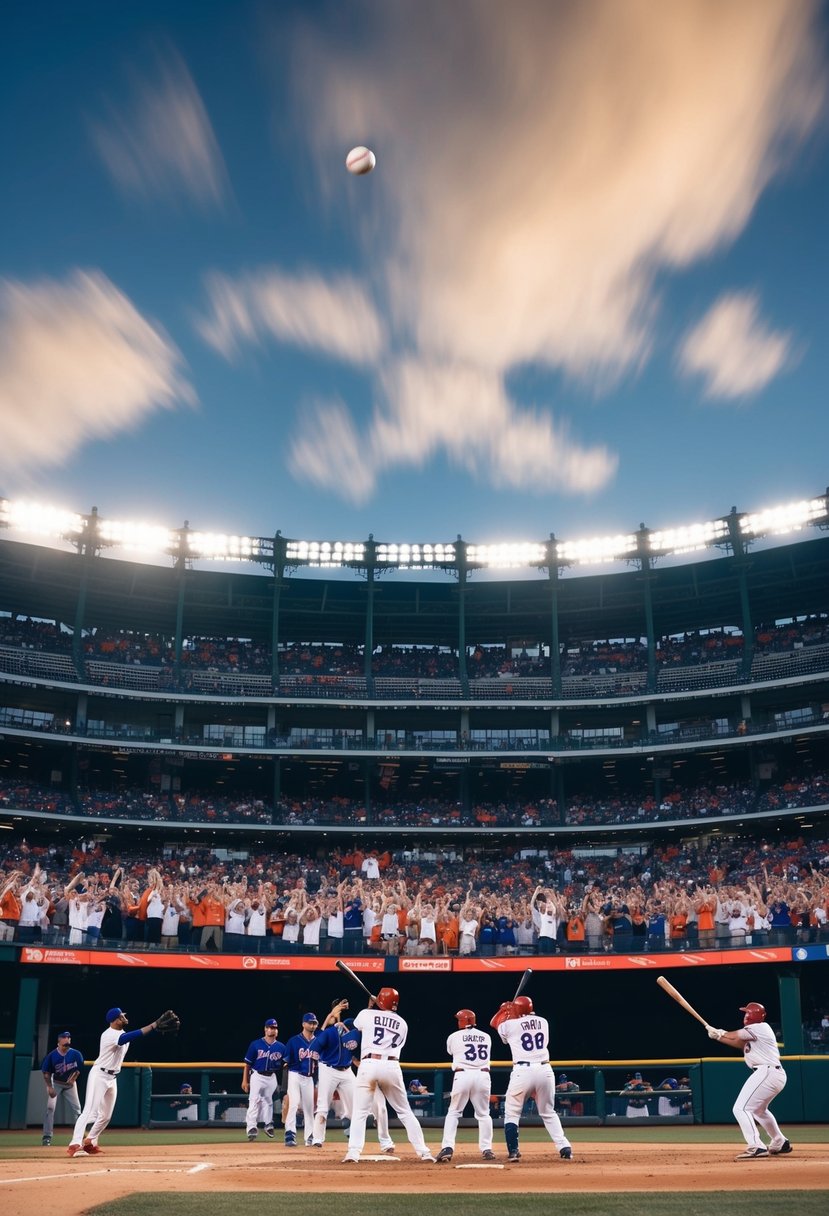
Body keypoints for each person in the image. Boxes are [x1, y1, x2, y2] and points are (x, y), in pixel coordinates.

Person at [343, 987, 435, 1163]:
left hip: (369, 1064)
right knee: (405, 1111)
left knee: (360, 1112)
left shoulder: (366, 1014)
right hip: (391, 1065)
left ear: (379, 1000)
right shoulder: (403, 1023)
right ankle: (424, 1152)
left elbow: (358, 1027)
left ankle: (353, 1153)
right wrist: (379, 1006)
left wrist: (372, 1007)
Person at [67, 1006, 163, 1157]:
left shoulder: (122, 1032)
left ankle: (90, 1141)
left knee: (105, 1116)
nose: (124, 1017)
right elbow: (129, 1037)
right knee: (89, 1111)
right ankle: (75, 1143)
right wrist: (153, 1025)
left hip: (112, 1078)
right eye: (121, 1016)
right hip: (99, 1074)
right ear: (115, 1020)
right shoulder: (109, 1034)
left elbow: (129, 1036)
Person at [490, 995, 572, 1163]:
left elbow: (494, 1023)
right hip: (544, 1070)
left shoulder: (510, 1025)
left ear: (518, 1009)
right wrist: (513, 1011)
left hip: (523, 1071)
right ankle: (564, 1147)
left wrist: (503, 1010)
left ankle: (513, 1152)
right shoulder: (543, 1021)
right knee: (548, 1112)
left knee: (512, 1113)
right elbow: (522, 1023)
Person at [706, 1001, 791, 1159]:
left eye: (746, 1013)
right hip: (774, 1074)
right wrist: (719, 1037)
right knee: (759, 1110)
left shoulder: (759, 1027)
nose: (745, 1015)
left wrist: (720, 1032)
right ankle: (780, 1142)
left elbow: (735, 1035)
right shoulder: (755, 1032)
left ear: (752, 1015)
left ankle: (756, 1146)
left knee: (740, 1108)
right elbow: (738, 1042)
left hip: (767, 1072)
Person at [435, 1008, 495, 1164]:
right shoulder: (486, 1036)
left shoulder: (454, 1036)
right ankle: (487, 1149)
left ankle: (447, 1148)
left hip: (463, 1075)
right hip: (482, 1075)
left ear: (462, 1021)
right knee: (483, 1114)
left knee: (454, 1113)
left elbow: (450, 1052)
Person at [242, 1018, 286, 1141]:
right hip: (257, 1075)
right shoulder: (255, 1044)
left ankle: (268, 1124)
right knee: (254, 1100)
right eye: (270, 1027)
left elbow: (287, 1062)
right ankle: (251, 1127)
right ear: (265, 1029)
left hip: (271, 1076)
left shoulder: (281, 1047)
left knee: (268, 1101)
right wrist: (245, 1080)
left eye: (275, 1028)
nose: (273, 1030)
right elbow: (247, 1064)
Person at [41, 1030, 83, 1146]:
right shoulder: (52, 1056)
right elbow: (46, 1073)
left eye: (68, 1040)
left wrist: (74, 1078)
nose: (67, 1043)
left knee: (78, 1109)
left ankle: (80, 1135)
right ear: (59, 1043)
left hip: (70, 1085)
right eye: (65, 1042)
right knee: (50, 1108)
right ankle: (47, 1137)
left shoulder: (76, 1054)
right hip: (56, 1083)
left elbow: (79, 1068)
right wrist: (49, 1087)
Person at [284, 1012, 319, 1146]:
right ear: (303, 1024)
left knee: (309, 1109)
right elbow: (286, 1062)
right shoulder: (294, 1041)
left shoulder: (318, 1042)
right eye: (310, 1023)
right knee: (294, 1103)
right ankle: (290, 1134)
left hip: (309, 1078)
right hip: (295, 1074)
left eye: (314, 1023)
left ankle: (309, 1136)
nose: (312, 1025)